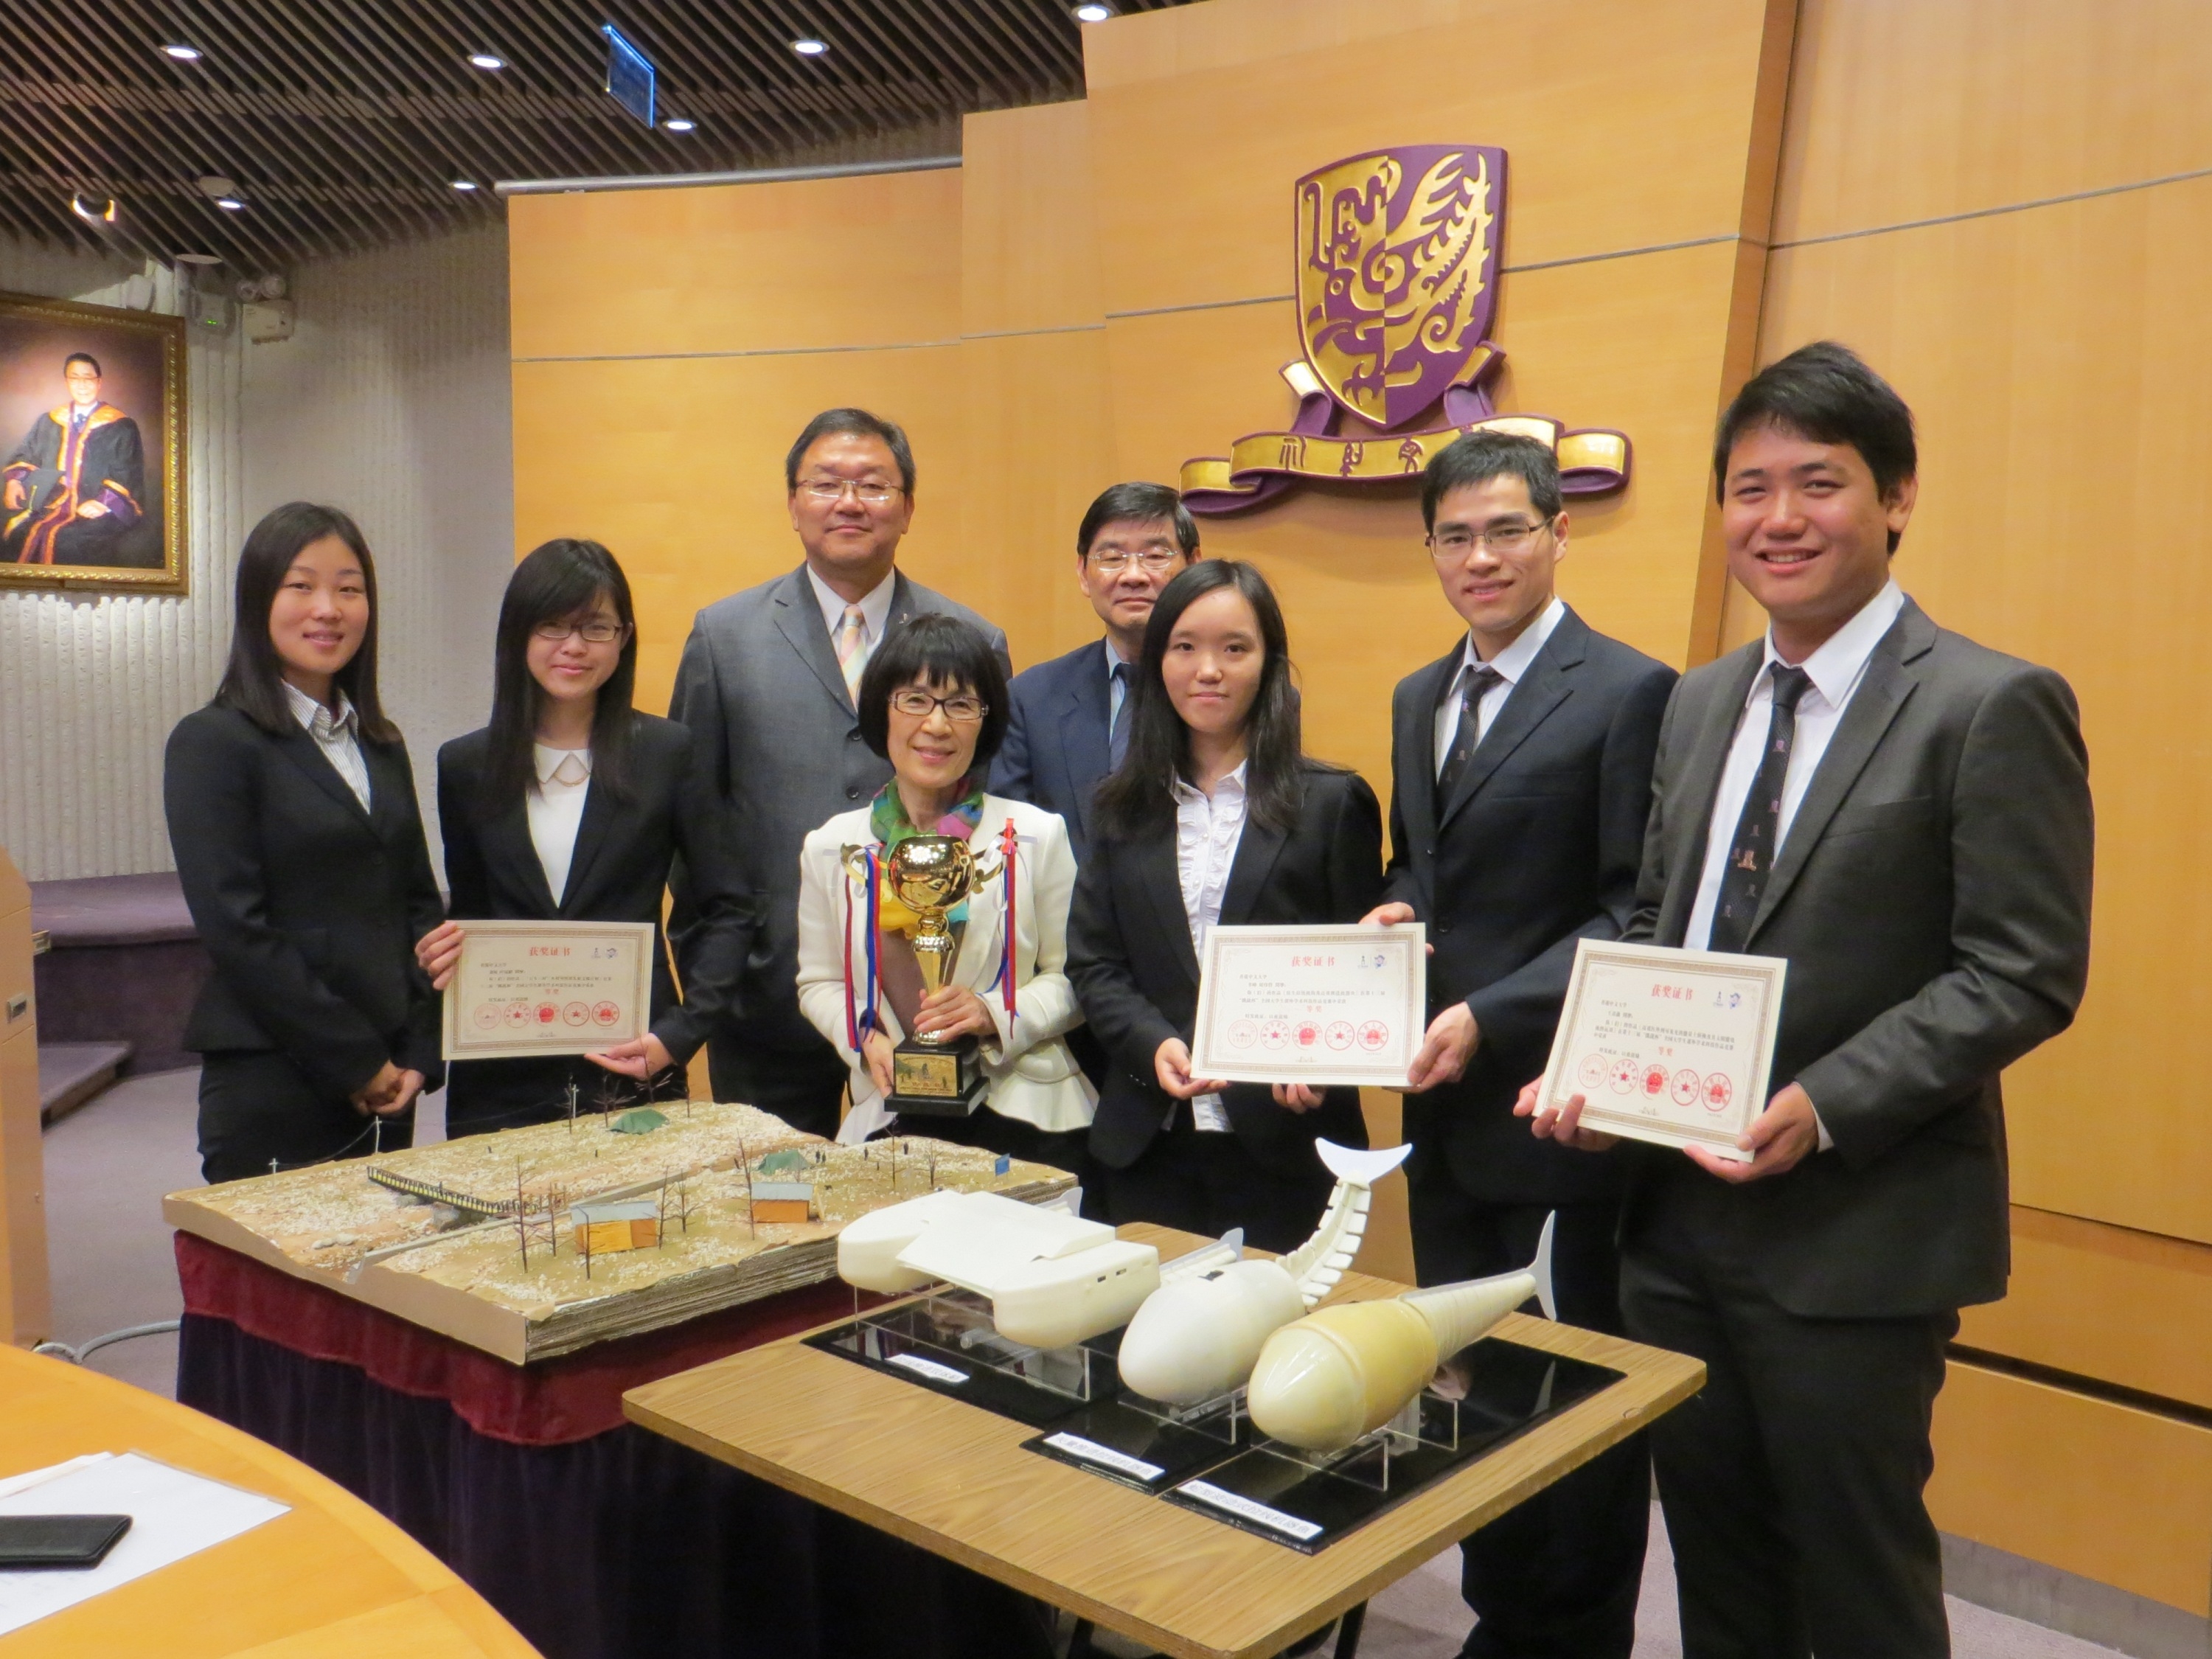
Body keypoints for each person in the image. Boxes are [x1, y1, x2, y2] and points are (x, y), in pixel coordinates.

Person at [1523, 342, 2093, 1658]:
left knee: (1856, 1579)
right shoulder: (1703, 702)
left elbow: (2022, 968)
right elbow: (1666, 920)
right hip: (1674, 1227)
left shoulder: (1988, 705)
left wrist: (1822, 1105)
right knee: (1717, 1565)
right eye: (1748, 487)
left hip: (1856, 1230)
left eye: (1818, 484)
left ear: (1895, 497)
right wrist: (1596, 1071)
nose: (1779, 519)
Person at [1361, 431, 1675, 1659]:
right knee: (1471, 1396)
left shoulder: (1630, 689)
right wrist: (1395, 919)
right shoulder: (1416, 697)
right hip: (1442, 1124)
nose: (1480, 557)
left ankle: (1575, 1642)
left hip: (1559, 1122)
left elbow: (1628, 910)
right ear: (1429, 545)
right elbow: (1421, 871)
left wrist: (1490, 1013)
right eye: (1455, 534)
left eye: (1507, 530)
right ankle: (1499, 1628)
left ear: (1559, 532)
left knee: (1574, 1411)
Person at [669, 408, 1009, 1136]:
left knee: (917, 1214)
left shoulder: (975, 639)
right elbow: (689, 822)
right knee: (773, 1213)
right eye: (826, 484)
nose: (849, 502)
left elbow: (995, 809)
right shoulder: (724, 637)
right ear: (793, 503)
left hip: (926, 1009)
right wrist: (715, 970)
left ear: (909, 506)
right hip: (766, 996)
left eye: (873, 485)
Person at [1068, 560, 1382, 1252]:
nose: (1208, 669)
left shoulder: (1331, 804)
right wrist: (1155, 1044)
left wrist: (1317, 1063)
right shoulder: (1119, 805)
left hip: (1286, 1143)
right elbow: (1095, 964)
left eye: (1234, 648)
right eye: (1185, 647)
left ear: (1269, 664)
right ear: (1158, 664)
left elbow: (1364, 976)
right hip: (1149, 1141)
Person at [414, 540, 754, 1136]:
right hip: (499, 1072)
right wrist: (438, 952)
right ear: (516, 635)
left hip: (632, 1057)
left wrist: (679, 1034)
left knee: (642, 1228)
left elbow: (730, 907)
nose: (573, 647)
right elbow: (472, 913)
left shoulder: (667, 753)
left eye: (595, 627)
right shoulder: (465, 765)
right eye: (551, 626)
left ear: (623, 638)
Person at [165, 503, 443, 1182]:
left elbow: (416, 901)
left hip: (387, 1079)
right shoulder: (213, 742)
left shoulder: (380, 742)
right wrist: (358, 1062)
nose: (329, 608)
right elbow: (238, 929)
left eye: (349, 589)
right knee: (269, 1288)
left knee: (375, 1281)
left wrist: (417, 1053)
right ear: (258, 600)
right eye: (302, 585)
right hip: (273, 1073)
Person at [796, 614, 1093, 1165]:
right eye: (914, 700)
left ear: (985, 723)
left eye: (960, 705)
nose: (936, 725)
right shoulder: (831, 846)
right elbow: (818, 981)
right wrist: (866, 1043)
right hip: (889, 1111)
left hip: (1025, 1112)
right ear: (881, 710)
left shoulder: (1033, 835)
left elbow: (1076, 976)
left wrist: (993, 1013)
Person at [992, 481, 1200, 864]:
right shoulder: (1030, 699)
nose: (1133, 575)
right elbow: (1010, 848)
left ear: (1194, 564)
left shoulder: (1233, 693)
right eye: (1112, 557)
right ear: (1084, 574)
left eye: (1155, 555)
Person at [2, 350, 146, 565]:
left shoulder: (121, 426)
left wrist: (103, 504)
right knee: (16, 531)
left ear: (99, 383)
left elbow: (128, 471)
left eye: (88, 379)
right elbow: (27, 453)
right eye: (75, 379)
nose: (82, 385)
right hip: (51, 502)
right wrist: (15, 481)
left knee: (68, 541)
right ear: (67, 382)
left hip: (93, 505)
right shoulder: (49, 420)